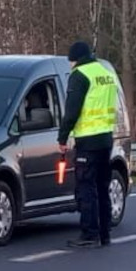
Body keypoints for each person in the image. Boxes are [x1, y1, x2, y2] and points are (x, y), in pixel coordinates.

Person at [57, 40, 118, 248]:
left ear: (75, 60)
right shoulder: (104, 73)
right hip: (106, 138)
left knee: (86, 187)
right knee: (102, 187)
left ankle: (89, 234)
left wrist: (62, 138)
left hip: (88, 141)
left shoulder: (79, 75)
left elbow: (72, 111)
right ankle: (105, 233)